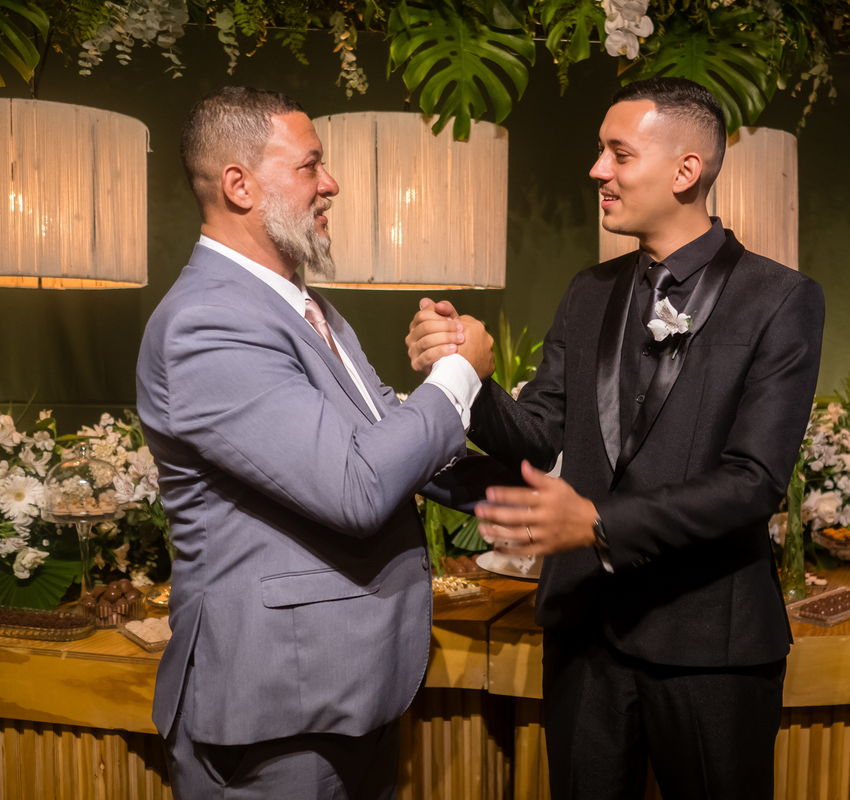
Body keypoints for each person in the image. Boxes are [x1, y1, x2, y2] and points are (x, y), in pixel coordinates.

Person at [407, 77, 825, 799]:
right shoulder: (588, 290)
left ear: (685, 171)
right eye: (601, 152)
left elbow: (754, 479)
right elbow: (538, 433)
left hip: (709, 645)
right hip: (586, 636)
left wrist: (598, 523)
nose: (597, 170)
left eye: (618, 153)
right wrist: (462, 370)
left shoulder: (781, 298)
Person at [137, 86, 494, 800]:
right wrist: (459, 373)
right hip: (276, 711)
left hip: (348, 692)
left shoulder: (305, 305)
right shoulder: (207, 322)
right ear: (239, 185)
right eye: (310, 166)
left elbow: (388, 439)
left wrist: (537, 487)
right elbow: (357, 488)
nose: (330, 184)